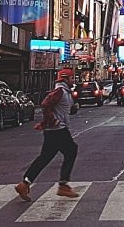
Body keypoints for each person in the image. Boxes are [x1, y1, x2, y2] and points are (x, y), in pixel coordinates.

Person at [15, 69, 80, 201]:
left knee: (45, 157)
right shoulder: (60, 91)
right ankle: (63, 184)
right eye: (72, 78)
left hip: (52, 131)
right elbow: (45, 104)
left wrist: (73, 108)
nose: (74, 80)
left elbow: (67, 109)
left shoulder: (66, 92)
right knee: (71, 150)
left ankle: (25, 183)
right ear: (66, 79)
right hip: (58, 129)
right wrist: (52, 120)